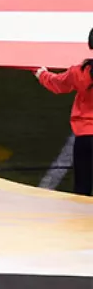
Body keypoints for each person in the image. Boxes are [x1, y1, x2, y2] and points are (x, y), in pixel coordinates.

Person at [34, 28, 93, 196]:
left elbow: (57, 84)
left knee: (82, 189)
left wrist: (41, 74)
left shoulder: (79, 72)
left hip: (84, 138)